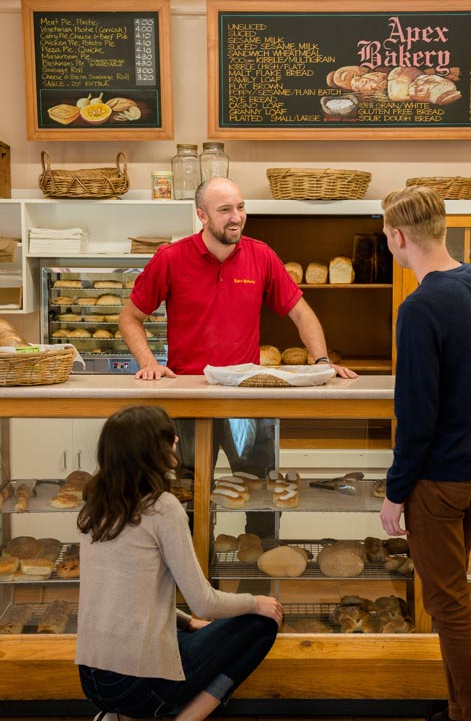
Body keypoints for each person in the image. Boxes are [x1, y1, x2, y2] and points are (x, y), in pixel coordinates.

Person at [119, 176, 357, 536]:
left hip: (246, 399)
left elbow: (300, 312)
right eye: (225, 210)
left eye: (241, 207)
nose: (236, 217)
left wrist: (322, 362)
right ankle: (196, 589)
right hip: (189, 400)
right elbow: (130, 317)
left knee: (261, 499)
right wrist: (149, 363)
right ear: (202, 215)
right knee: (188, 501)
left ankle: (256, 587)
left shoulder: (261, 256)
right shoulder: (170, 258)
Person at [378, 186, 471, 721]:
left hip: (440, 483)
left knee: (450, 609)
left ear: (399, 237)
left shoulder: (420, 307)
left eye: (387, 237)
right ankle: (459, 709)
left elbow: (416, 416)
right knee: (451, 599)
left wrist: (394, 492)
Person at [76, 405, 282, 721]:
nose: (176, 440)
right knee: (265, 621)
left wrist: (187, 622)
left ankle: (117, 716)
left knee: (192, 633)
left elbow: (123, 597)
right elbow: (205, 602)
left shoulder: (96, 506)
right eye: (169, 437)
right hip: (141, 687)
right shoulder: (162, 507)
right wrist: (256, 603)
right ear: (156, 451)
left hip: (93, 682)